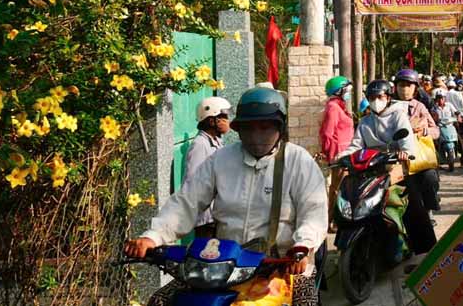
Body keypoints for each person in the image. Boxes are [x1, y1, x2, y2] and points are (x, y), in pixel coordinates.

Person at [125, 87, 327, 306]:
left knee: (306, 302)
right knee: (160, 301)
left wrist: (302, 246)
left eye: (265, 127)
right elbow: (186, 202)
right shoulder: (221, 159)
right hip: (220, 267)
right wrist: (153, 237)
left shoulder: (299, 161)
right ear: (239, 130)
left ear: (280, 127)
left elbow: (314, 213)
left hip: (282, 265)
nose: (256, 135)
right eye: (249, 128)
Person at [338, 80, 438, 254]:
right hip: (370, 172)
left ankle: (427, 253)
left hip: (395, 170)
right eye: (371, 97)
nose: (376, 101)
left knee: (413, 208)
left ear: (388, 97)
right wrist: (341, 157)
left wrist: (404, 152)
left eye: (380, 97)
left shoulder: (398, 116)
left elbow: (406, 142)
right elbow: (356, 145)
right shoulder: (365, 121)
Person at [184, 96, 232, 238]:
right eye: (223, 117)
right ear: (211, 121)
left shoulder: (216, 141)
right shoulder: (200, 145)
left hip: (216, 216)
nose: (227, 121)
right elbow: (192, 182)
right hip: (206, 221)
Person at [395, 69, 441, 215]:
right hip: (397, 159)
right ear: (395, 87)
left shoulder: (419, 107)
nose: (405, 89)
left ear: (415, 88)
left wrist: (425, 131)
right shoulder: (389, 107)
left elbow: (436, 130)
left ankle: (429, 210)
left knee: (430, 177)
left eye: (409, 85)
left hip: (419, 158)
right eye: (401, 85)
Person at [320, 76, 354, 233]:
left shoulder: (340, 106)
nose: (349, 93)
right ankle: (331, 221)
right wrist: (331, 155)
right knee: (338, 188)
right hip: (339, 155)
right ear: (339, 91)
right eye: (347, 90)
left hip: (346, 153)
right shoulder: (333, 107)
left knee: (341, 187)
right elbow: (327, 133)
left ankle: (335, 220)